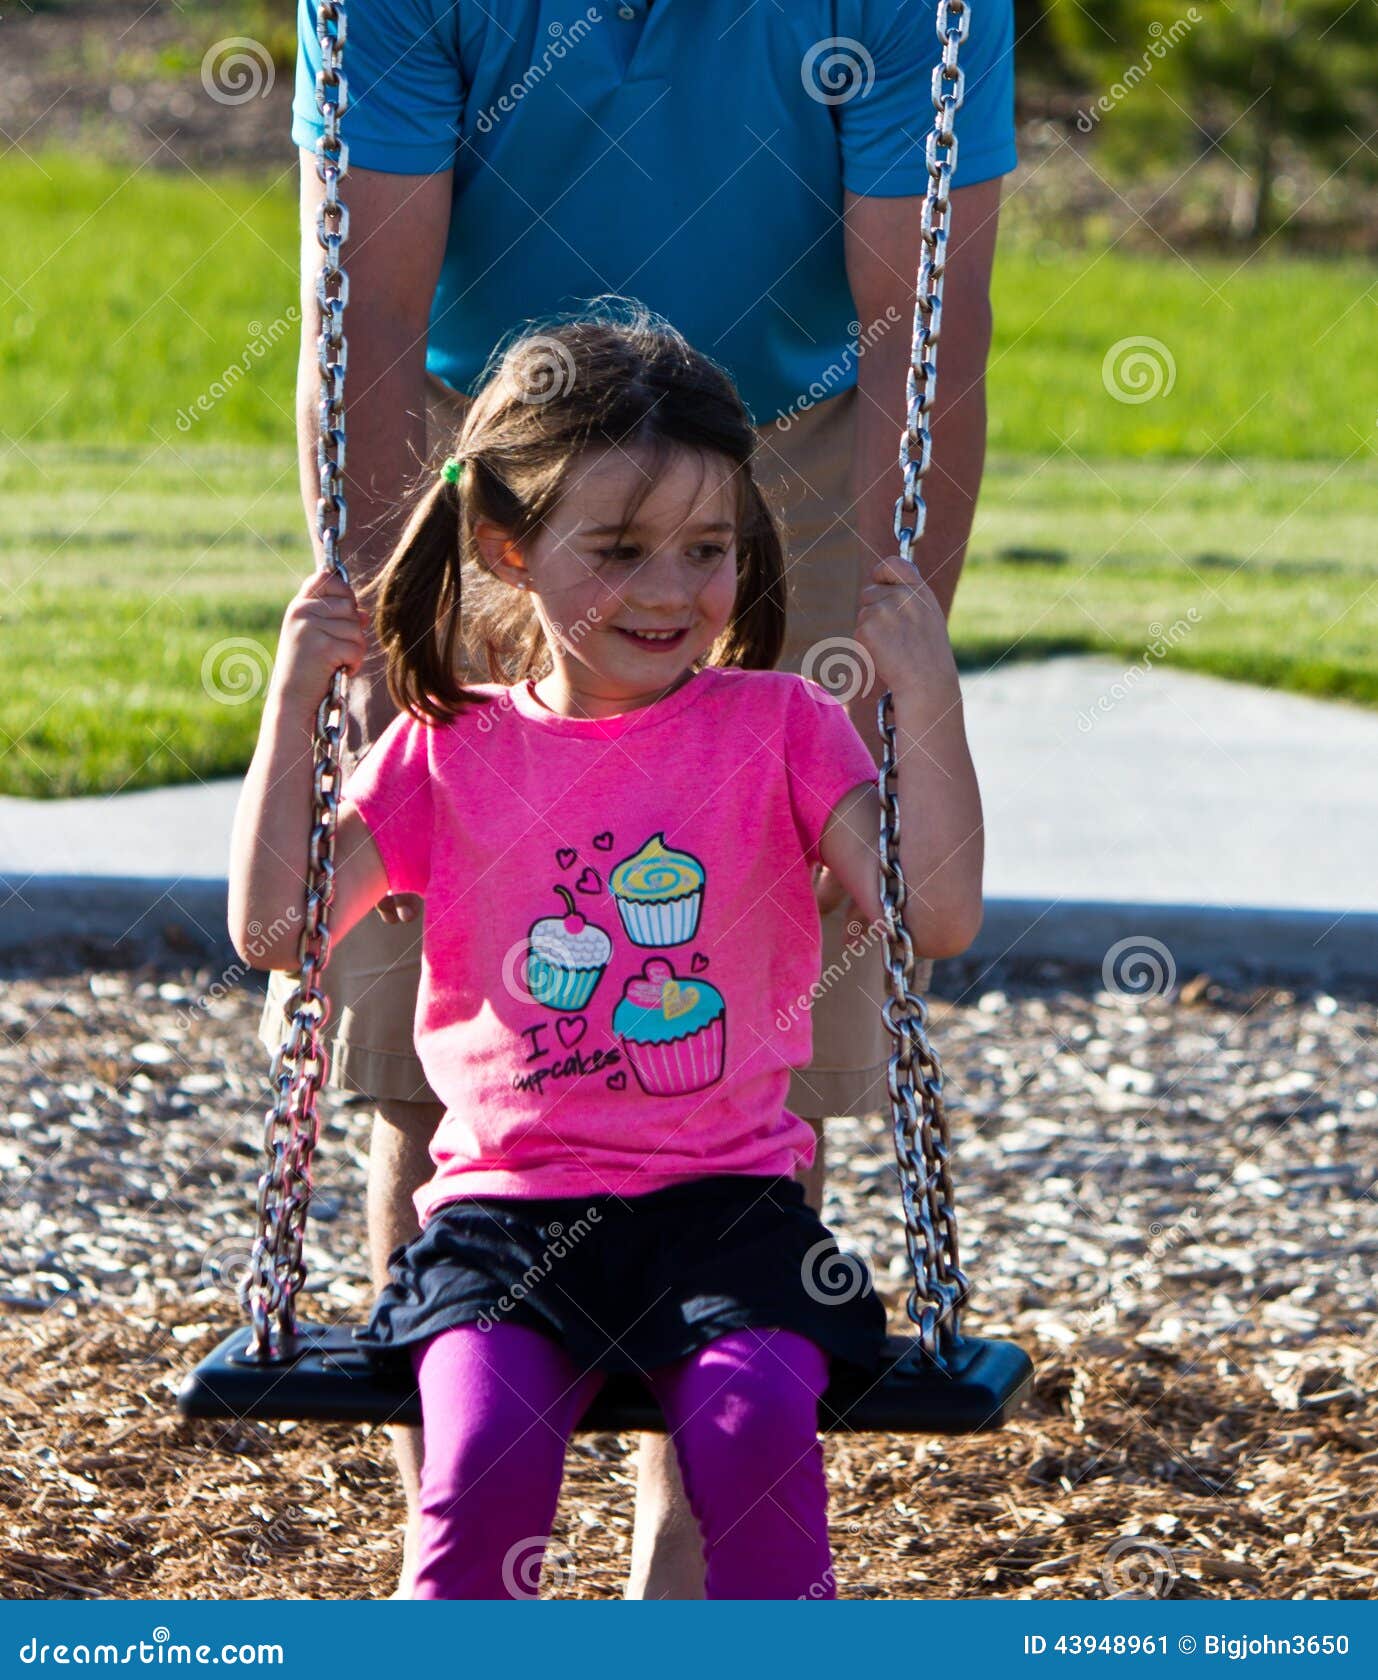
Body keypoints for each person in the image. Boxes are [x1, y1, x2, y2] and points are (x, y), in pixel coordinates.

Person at [266, 0, 1015, 1597]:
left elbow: (923, 341)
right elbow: (372, 324)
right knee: (422, 1025)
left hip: (786, 436)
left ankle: (684, 1592)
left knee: (765, 1007)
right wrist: (373, 657)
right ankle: (477, 1559)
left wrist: (898, 657)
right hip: (501, 446)